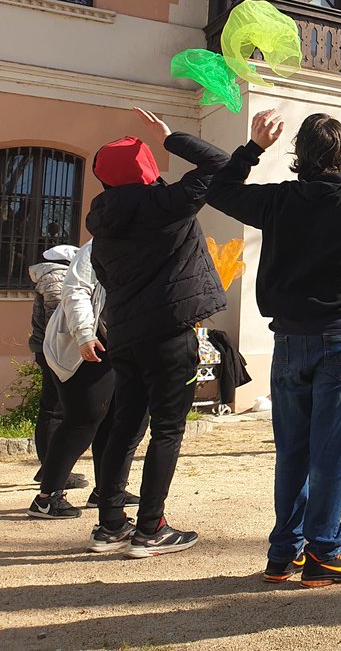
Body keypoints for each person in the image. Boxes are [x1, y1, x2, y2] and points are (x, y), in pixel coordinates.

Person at [206, 110, 341, 587]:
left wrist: (254, 148)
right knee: (333, 449)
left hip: (291, 338)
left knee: (292, 448)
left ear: (300, 156)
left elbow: (217, 190)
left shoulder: (278, 201)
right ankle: (325, 554)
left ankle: (284, 553)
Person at [86, 109, 228, 557]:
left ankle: (110, 524)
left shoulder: (103, 226)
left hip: (125, 336)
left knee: (125, 425)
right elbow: (219, 163)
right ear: (148, 169)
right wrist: (170, 138)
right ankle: (151, 528)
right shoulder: (168, 204)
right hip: (169, 331)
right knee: (167, 428)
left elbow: (104, 277)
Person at [29, 241, 143, 519]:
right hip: (84, 346)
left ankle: (107, 490)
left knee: (113, 421)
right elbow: (75, 291)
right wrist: (84, 335)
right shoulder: (100, 245)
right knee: (82, 420)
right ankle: (47, 498)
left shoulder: (145, 242)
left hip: (118, 344)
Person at [27, 244, 82, 488]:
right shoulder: (56, 277)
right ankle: (51, 469)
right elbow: (60, 320)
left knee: (53, 407)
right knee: (55, 409)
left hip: (48, 348)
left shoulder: (51, 276)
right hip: (54, 350)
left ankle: (49, 468)